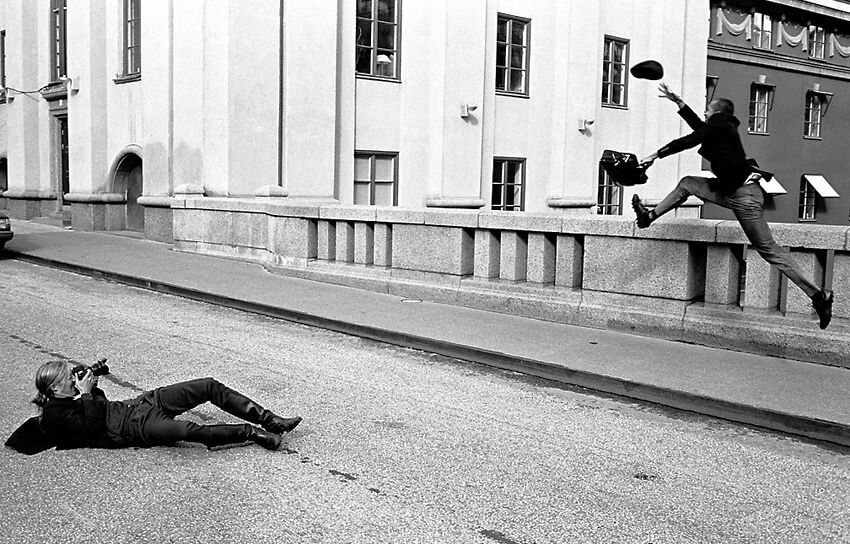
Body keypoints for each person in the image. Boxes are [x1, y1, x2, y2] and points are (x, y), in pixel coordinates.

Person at [632, 83, 834, 329]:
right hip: (732, 191)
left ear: (717, 113)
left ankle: (818, 295)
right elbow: (700, 129)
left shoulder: (721, 123)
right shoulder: (720, 128)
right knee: (687, 183)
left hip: (745, 197)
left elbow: (692, 139)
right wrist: (679, 103)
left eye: (708, 109)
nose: (705, 112)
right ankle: (648, 217)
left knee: (769, 250)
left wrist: (655, 155)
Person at [30, 360, 302, 451]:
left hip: (142, 403)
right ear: (54, 388)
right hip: (136, 427)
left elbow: (100, 405)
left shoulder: (72, 393)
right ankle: (251, 433)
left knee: (207, 385)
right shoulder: (55, 414)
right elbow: (91, 425)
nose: (73, 379)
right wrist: (87, 393)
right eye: (67, 378)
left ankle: (270, 420)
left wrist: (94, 387)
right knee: (188, 430)